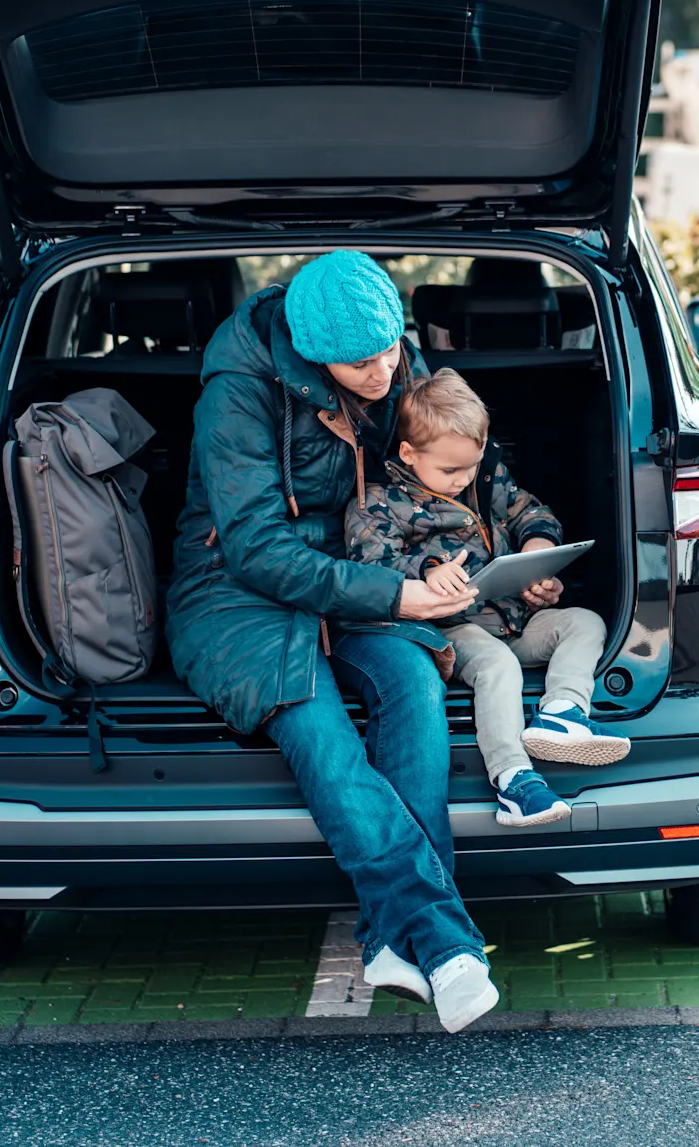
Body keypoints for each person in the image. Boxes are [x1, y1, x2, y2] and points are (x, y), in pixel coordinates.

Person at [164, 250, 498, 1033]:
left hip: (359, 567)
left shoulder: (395, 357)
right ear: (315, 357)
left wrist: (443, 560)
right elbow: (255, 547)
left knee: (412, 681)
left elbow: (436, 467)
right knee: (321, 728)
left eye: (390, 350)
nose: (385, 373)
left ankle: (389, 939)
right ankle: (446, 943)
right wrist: (399, 594)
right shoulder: (237, 390)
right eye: (361, 364)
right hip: (234, 591)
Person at [345, 368, 628, 827]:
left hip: (514, 617)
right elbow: (370, 564)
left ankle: (562, 712)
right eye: (450, 470)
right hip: (453, 630)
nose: (463, 479)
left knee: (585, 622)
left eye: (472, 466)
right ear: (408, 453)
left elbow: (530, 510)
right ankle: (513, 779)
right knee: (499, 665)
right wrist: (427, 572)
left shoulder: (486, 480)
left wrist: (537, 554)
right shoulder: (379, 501)